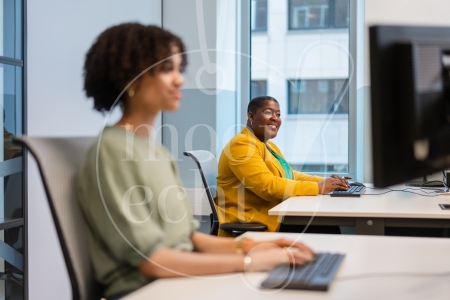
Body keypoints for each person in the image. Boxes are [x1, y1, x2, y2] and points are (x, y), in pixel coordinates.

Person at [77, 23, 316, 300]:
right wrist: (248, 263)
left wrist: (254, 247)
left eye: (180, 69)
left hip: (177, 279)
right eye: (167, 69)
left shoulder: (153, 150)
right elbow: (151, 260)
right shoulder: (112, 152)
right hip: (148, 289)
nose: (180, 80)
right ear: (129, 76)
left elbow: (189, 239)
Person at [215, 96, 350, 237]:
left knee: (326, 224)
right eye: (268, 112)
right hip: (253, 219)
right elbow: (266, 186)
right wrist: (319, 188)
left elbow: (290, 174)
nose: (275, 118)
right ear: (251, 116)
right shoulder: (241, 145)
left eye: (278, 114)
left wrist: (328, 182)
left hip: (272, 213)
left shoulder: (267, 145)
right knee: (326, 227)